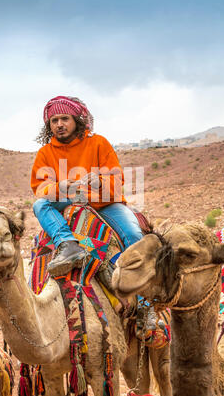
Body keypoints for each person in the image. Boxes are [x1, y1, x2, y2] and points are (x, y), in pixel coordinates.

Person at [31, 95, 143, 277]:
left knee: (134, 236)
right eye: (54, 120)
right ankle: (67, 244)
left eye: (65, 118)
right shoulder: (45, 153)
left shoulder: (99, 143)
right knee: (40, 205)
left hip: (104, 203)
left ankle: (142, 296)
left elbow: (116, 180)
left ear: (76, 120)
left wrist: (100, 182)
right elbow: (39, 187)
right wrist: (60, 187)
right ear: (49, 125)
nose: (59, 124)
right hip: (67, 201)